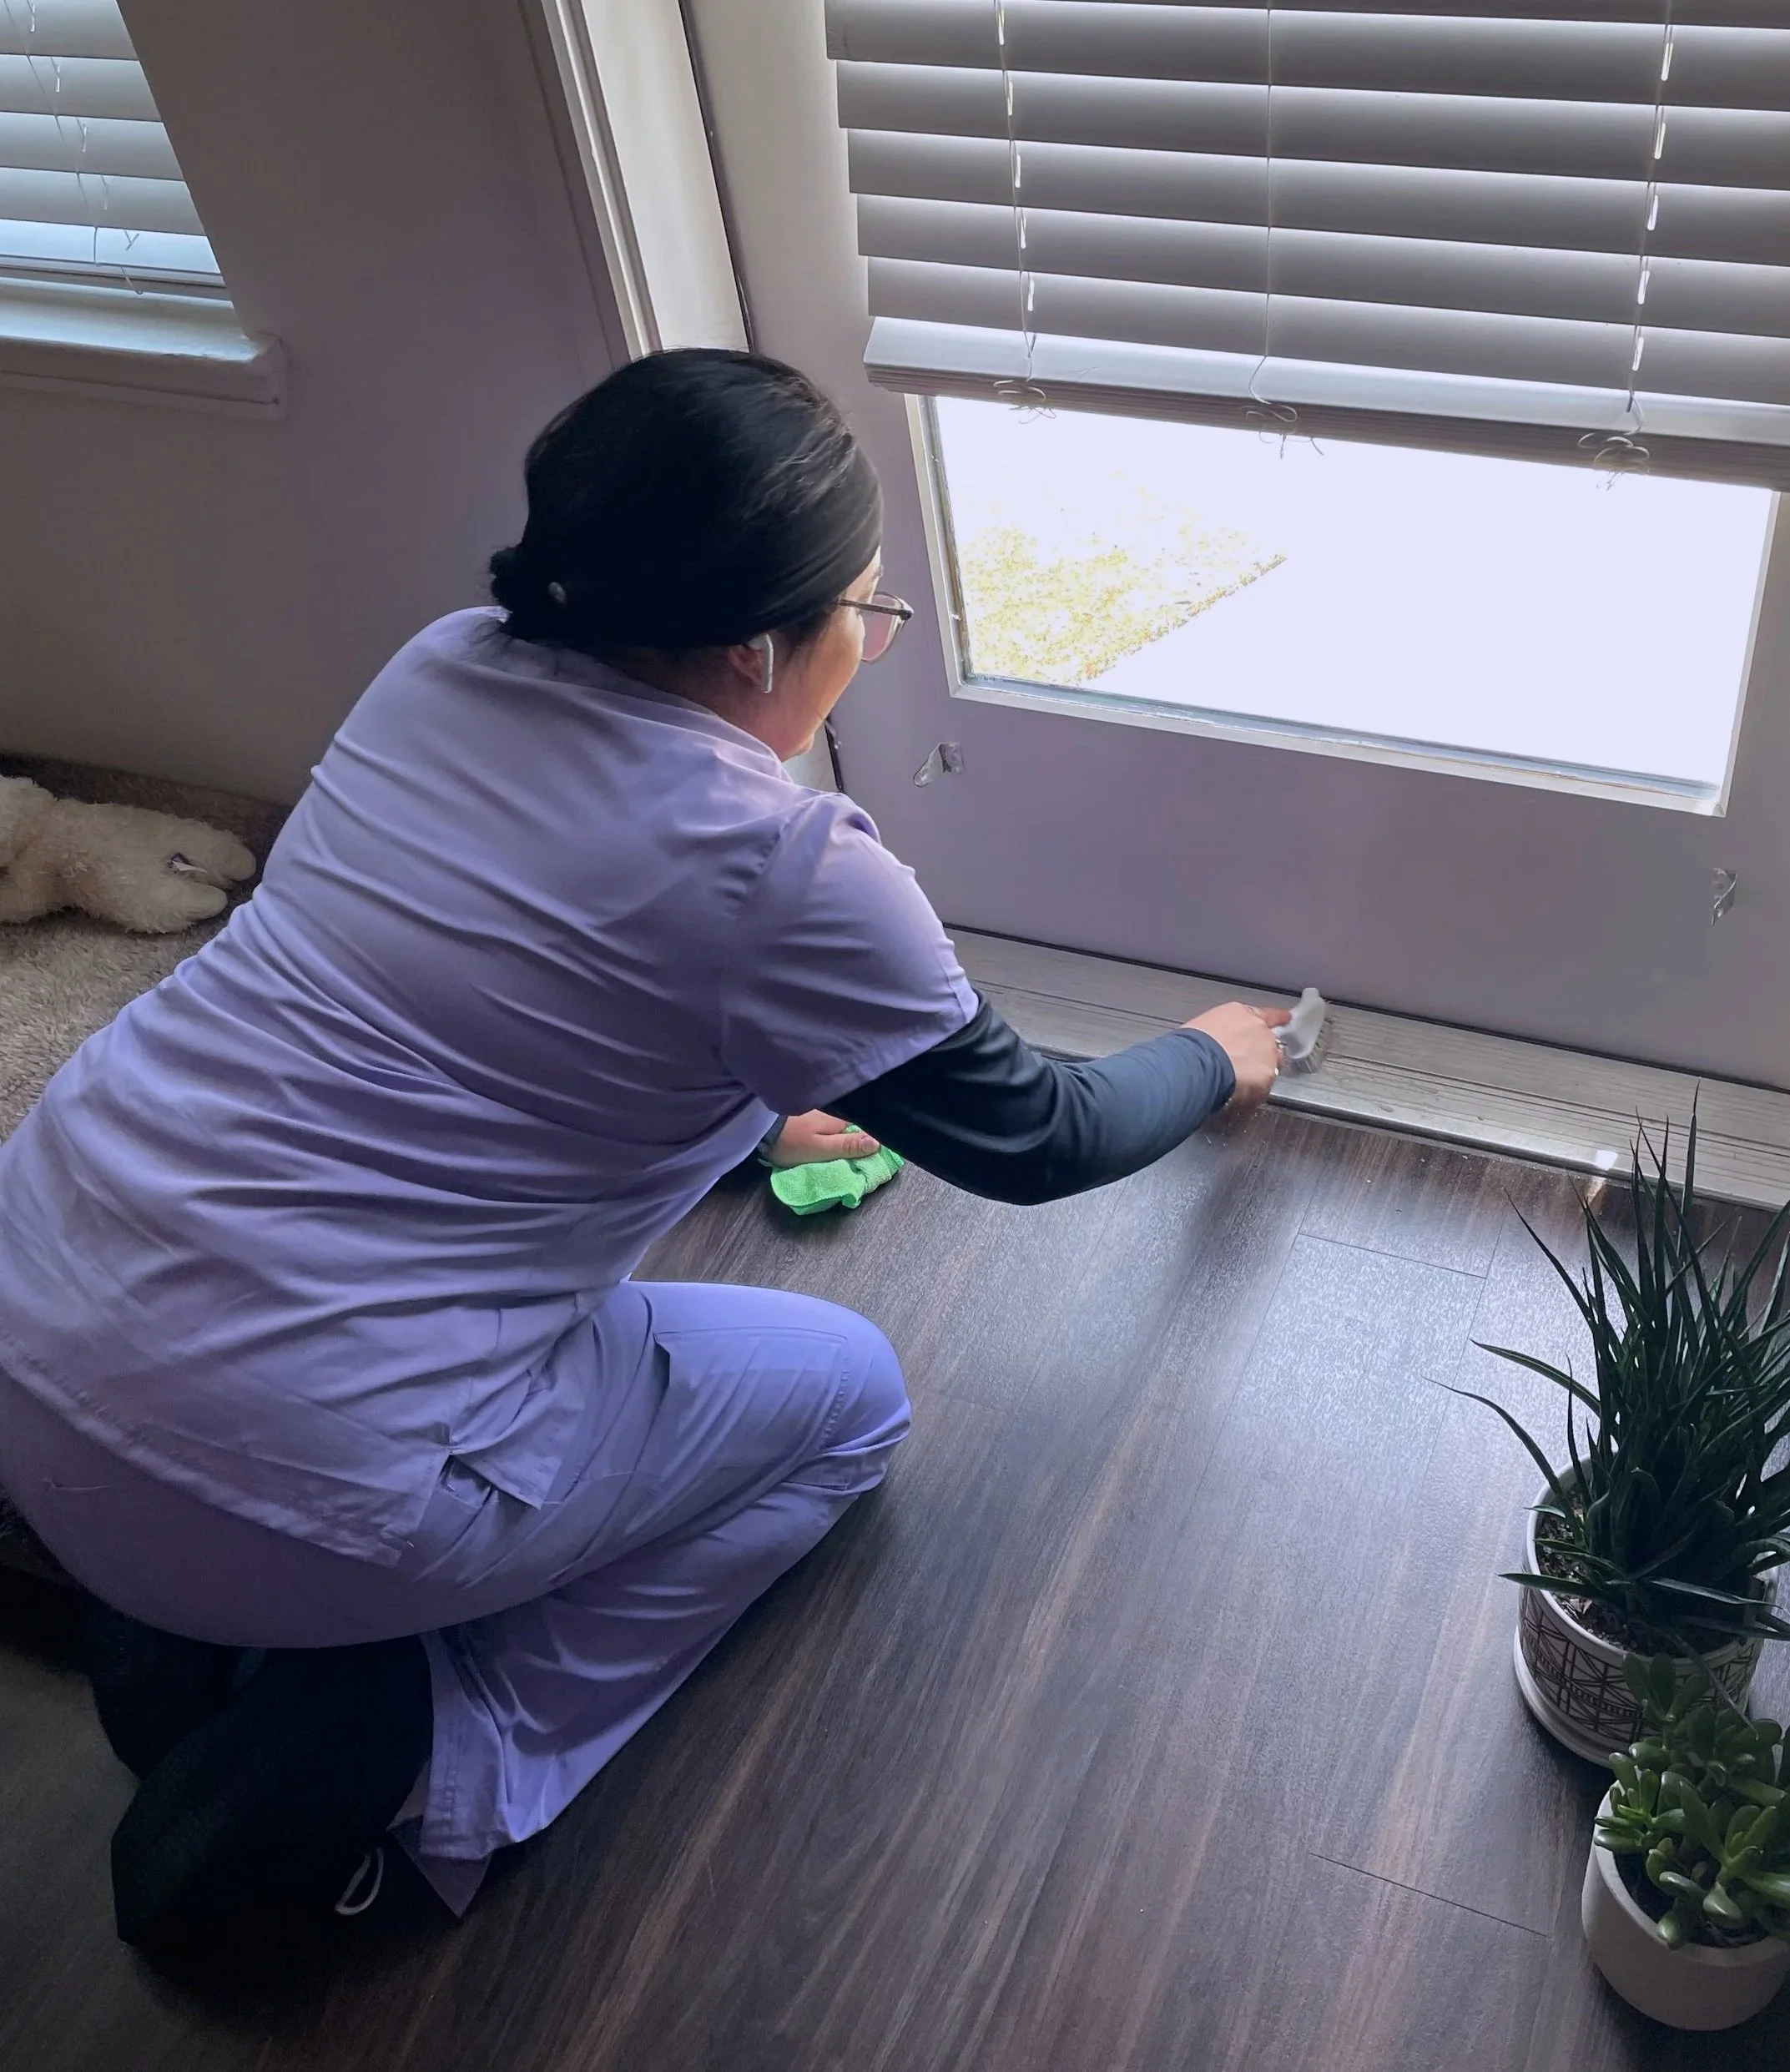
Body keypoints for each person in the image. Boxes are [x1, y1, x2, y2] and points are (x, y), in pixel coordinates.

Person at [0, 349, 1286, 1952]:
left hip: (37, 1305)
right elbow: (1040, 1135)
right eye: (867, 616)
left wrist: (761, 1095)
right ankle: (436, 1771)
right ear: (761, 645)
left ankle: (185, 1609)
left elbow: (506, 987)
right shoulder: (788, 867)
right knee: (847, 1404)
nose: (867, 648)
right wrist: (1216, 1051)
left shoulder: (445, 664)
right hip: (291, 1468)